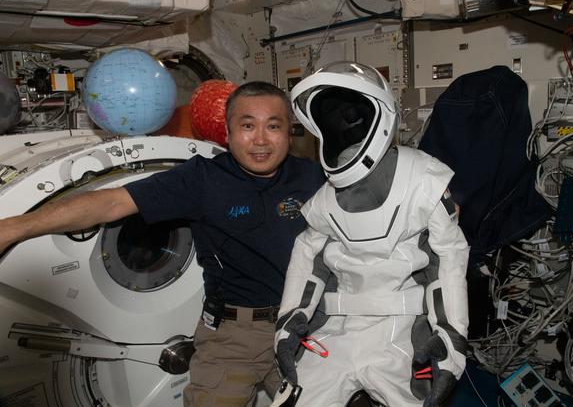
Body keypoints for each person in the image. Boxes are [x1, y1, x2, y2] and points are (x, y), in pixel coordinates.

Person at [0, 81, 326, 407]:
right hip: (233, 338)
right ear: (227, 133)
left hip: (303, 324)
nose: (261, 139)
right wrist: (13, 228)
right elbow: (111, 203)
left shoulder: (313, 178)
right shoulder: (202, 179)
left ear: (289, 132)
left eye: (273, 126)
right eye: (248, 126)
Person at [273, 62, 470, 407]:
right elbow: (306, 264)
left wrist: (450, 342)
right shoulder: (324, 201)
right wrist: (289, 325)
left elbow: (448, 264)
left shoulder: (423, 181)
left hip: (403, 336)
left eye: (353, 117)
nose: (343, 131)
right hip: (334, 333)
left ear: (382, 117)